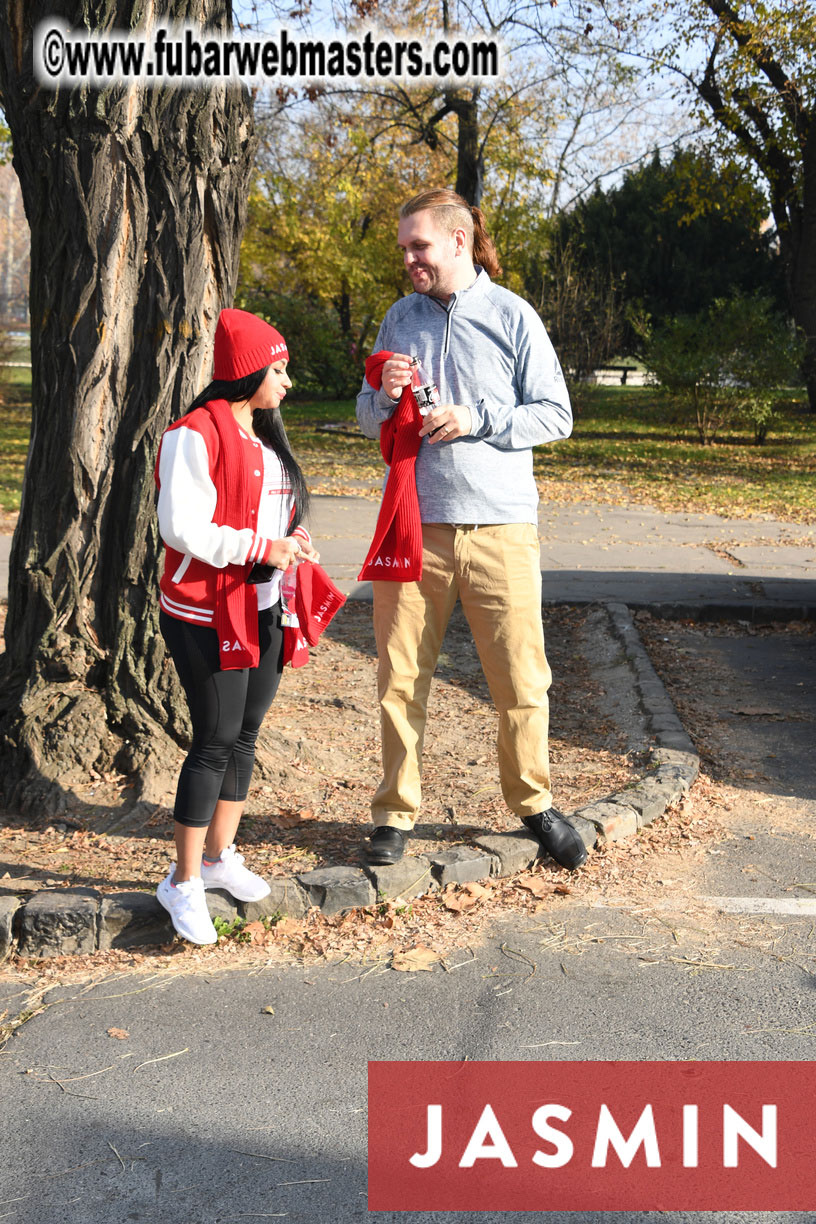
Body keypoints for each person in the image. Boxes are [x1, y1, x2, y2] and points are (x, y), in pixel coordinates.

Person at [356, 188, 587, 872]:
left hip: (501, 529)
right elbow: (368, 416)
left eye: (418, 246)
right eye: (404, 247)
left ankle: (534, 804)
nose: (408, 259)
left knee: (521, 681)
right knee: (399, 679)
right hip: (415, 529)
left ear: (458, 242)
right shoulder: (398, 320)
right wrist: (387, 394)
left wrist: (478, 417)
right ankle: (395, 813)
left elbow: (556, 415)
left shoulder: (514, 316)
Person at [155, 308, 320, 944]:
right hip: (206, 609)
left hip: (268, 605)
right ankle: (183, 881)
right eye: (277, 369)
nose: (287, 381)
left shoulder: (264, 432)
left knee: (246, 733)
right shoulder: (193, 433)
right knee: (215, 738)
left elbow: (285, 510)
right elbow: (182, 529)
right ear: (248, 371)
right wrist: (261, 549)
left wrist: (295, 536)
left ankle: (222, 859)